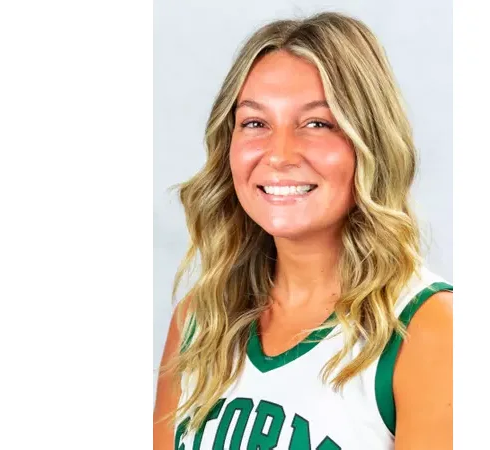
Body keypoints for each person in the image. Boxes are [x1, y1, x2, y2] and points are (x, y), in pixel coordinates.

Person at [154, 11, 453, 450]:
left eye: (317, 124)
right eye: (255, 123)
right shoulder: (201, 321)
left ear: (370, 141)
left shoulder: (429, 329)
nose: (279, 155)